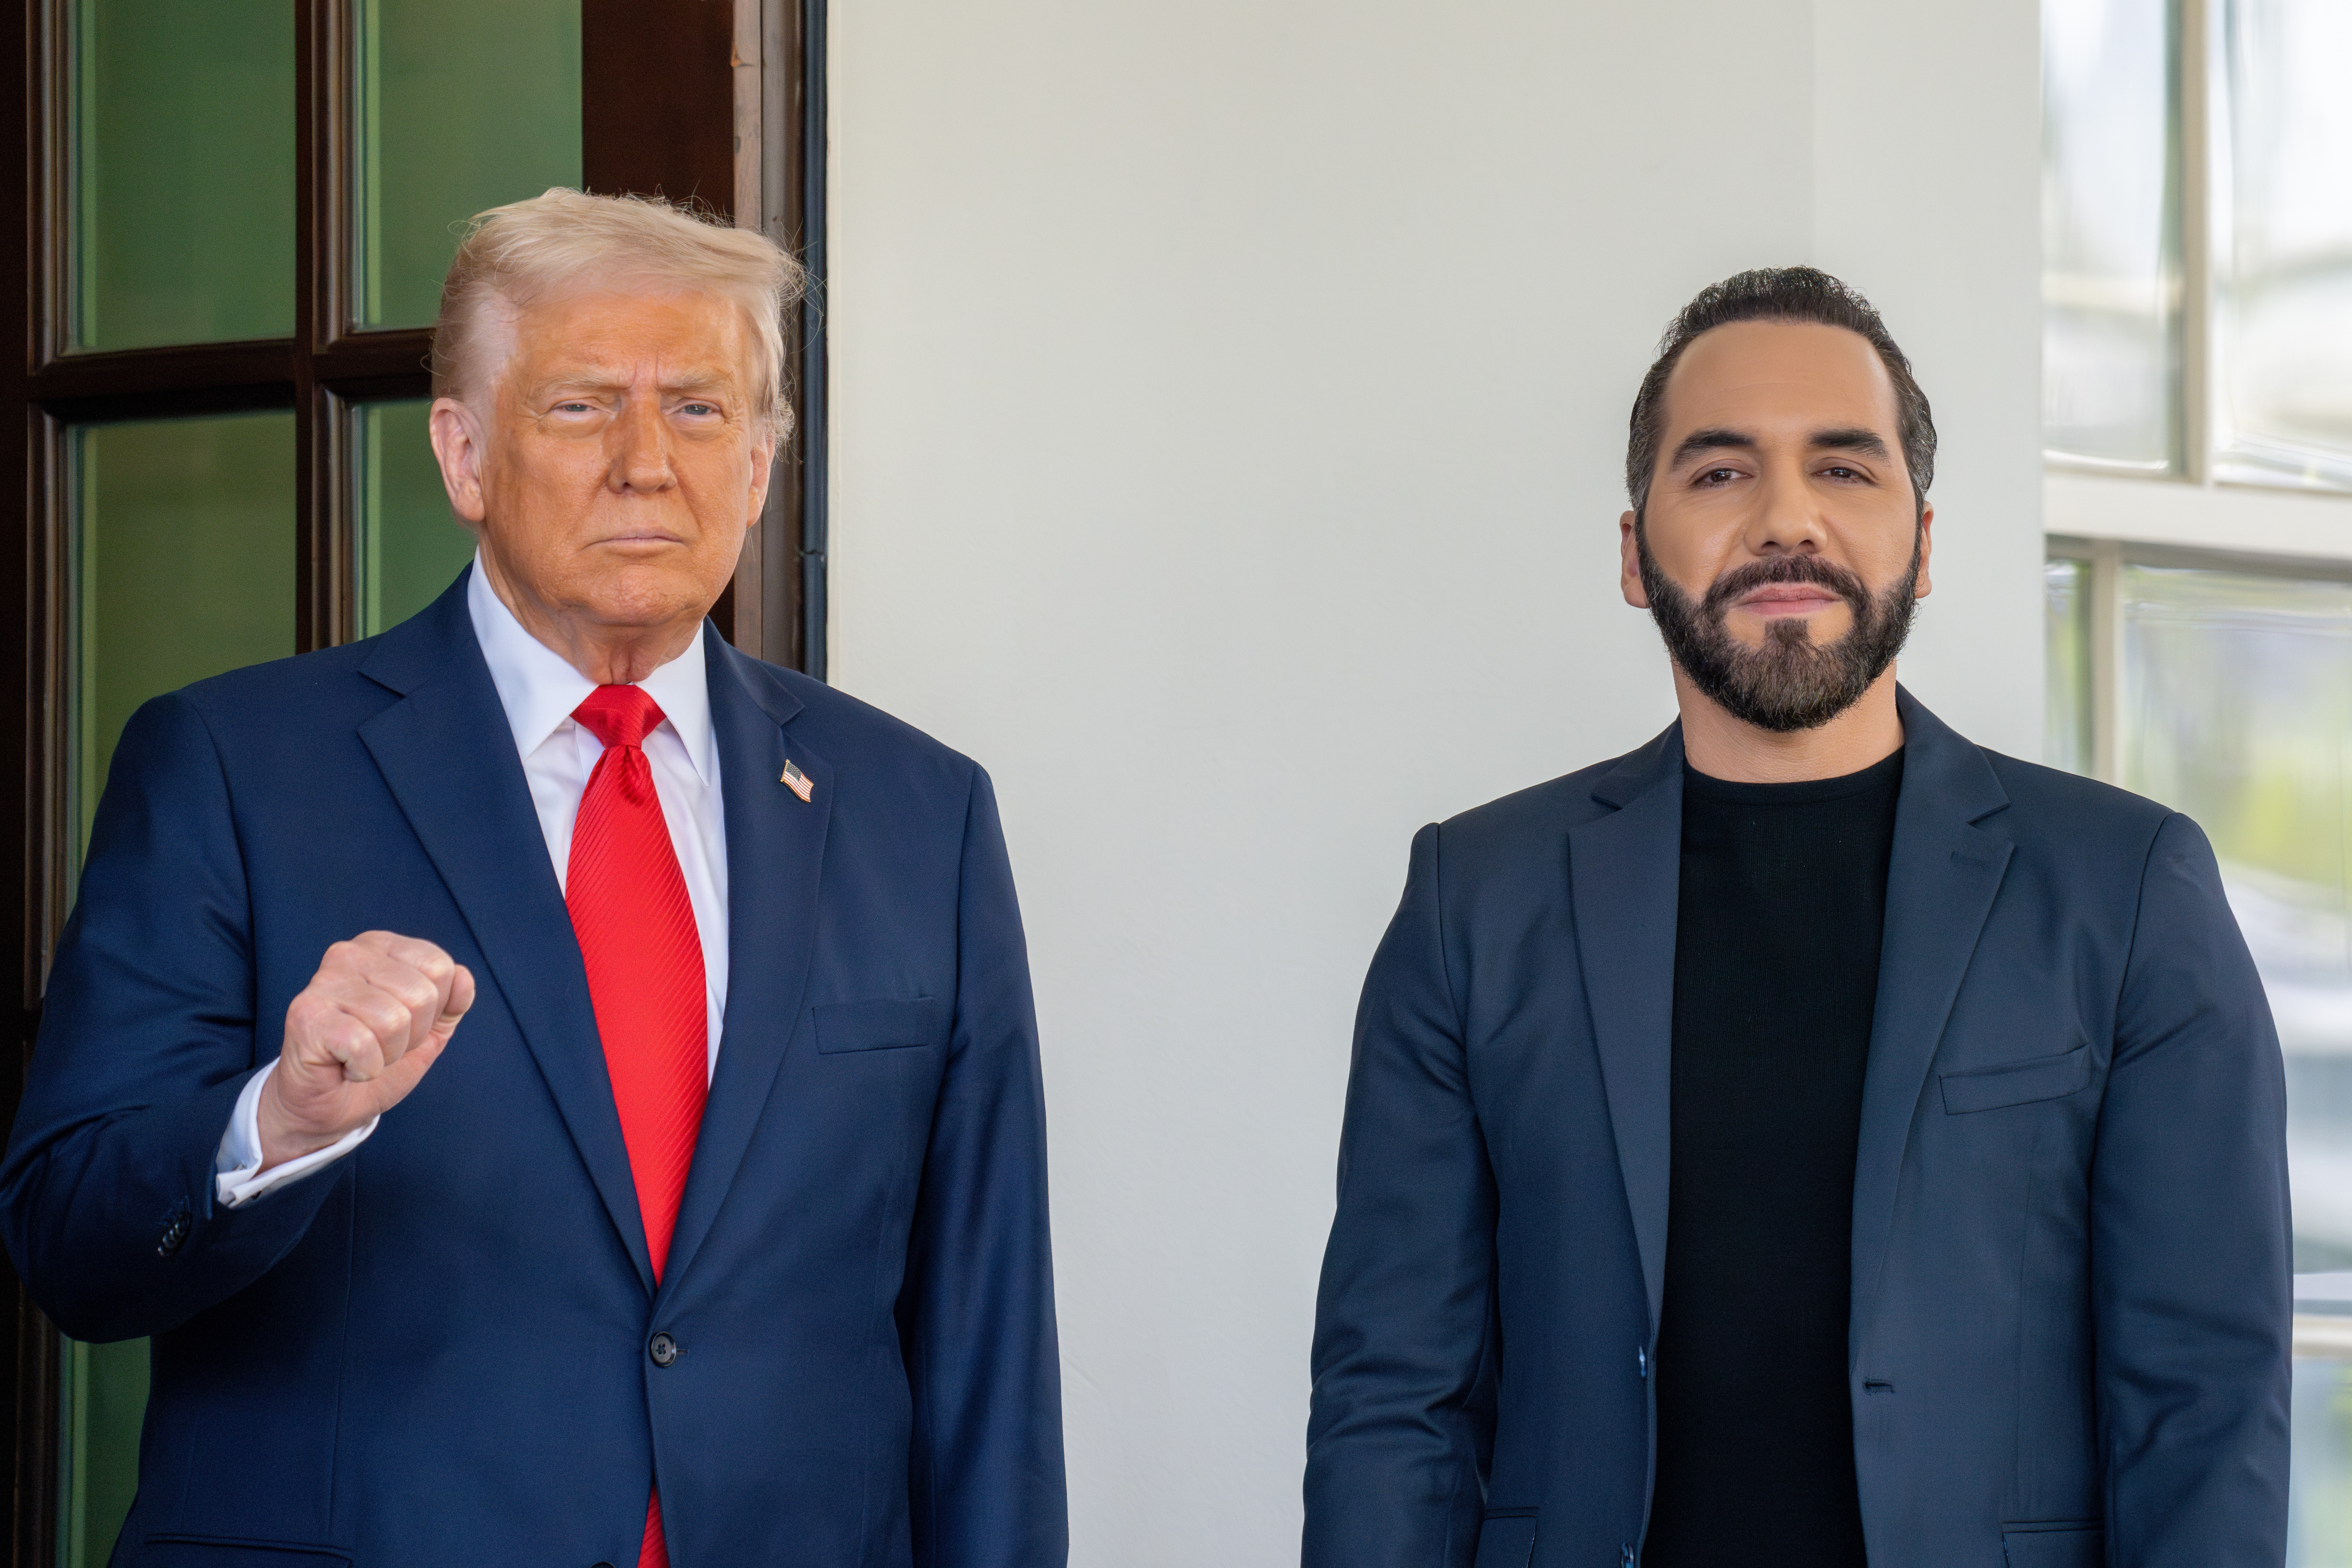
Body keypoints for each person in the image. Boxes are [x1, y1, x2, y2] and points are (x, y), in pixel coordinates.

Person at [1, 189, 1065, 1568]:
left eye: (698, 409)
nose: (646, 463)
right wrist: (282, 1119)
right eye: (580, 407)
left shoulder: (920, 810)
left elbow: (986, 1334)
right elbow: (70, 1244)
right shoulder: (231, 765)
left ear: (757, 467)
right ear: (464, 454)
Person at [1303, 267, 2289, 1568]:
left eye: (1841, 468)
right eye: (1719, 472)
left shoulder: (2125, 891)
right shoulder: (1473, 901)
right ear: (1631, 552)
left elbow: (2203, 1403)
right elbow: (1393, 1405)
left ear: (1921, 543)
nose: (1784, 518)